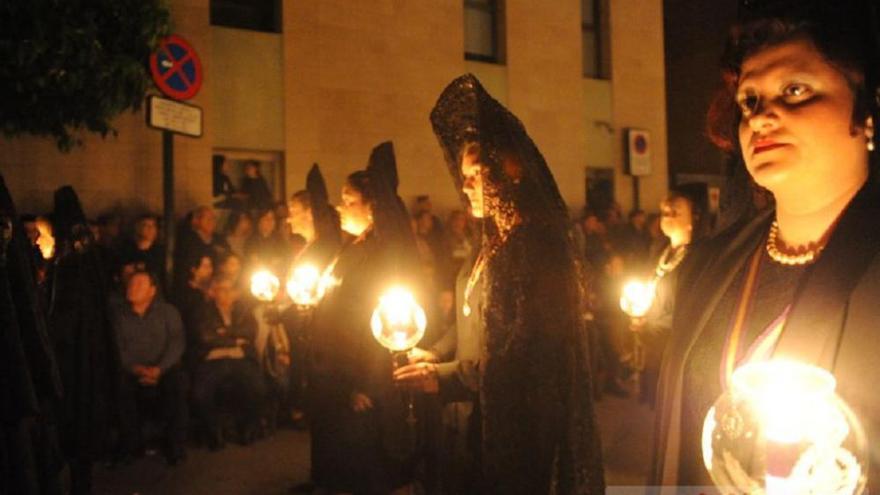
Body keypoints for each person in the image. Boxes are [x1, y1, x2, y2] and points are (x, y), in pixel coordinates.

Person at [651, 1, 880, 490]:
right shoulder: (711, 266)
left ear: (867, 116)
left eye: (795, 91)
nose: (760, 117)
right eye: (749, 101)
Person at [396, 74, 605, 494]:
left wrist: (448, 376)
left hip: (520, 426)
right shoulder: (493, 241)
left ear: (508, 171)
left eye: (476, 173)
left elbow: (524, 351)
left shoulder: (537, 247)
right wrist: (432, 352)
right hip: (478, 413)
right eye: (463, 175)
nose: (466, 185)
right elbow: (475, 320)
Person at [111, 270, 187, 465]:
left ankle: (175, 446)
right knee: (119, 388)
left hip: (163, 369)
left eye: (139, 284)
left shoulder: (168, 312)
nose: (132, 288)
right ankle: (130, 445)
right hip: (131, 370)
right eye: (131, 284)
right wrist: (135, 369)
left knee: (176, 385)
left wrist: (159, 369)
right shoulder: (118, 317)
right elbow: (117, 348)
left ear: (152, 290)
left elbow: (176, 343)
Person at [191, 275, 266, 450]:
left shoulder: (244, 311)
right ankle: (213, 430)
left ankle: (248, 427)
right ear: (214, 292)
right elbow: (205, 337)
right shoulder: (202, 311)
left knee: (258, 388)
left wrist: (223, 333)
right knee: (200, 393)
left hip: (241, 358)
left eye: (229, 289)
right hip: (213, 359)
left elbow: (249, 332)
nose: (226, 293)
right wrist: (234, 340)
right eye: (221, 289)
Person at [119, 213, 166, 291]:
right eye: (145, 225)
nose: (150, 228)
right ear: (137, 228)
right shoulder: (127, 250)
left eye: (153, 225)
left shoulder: (161, 252)